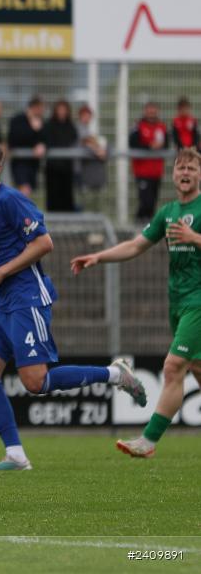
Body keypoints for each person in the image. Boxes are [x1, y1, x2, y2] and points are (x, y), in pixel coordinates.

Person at [0, 136, 147, 471]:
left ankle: (115, 374)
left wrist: (1, 272)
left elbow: (44, 243)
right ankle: (15, 454)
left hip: (28, 297)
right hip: (4, 301)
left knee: (36, 383)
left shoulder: (10, 201)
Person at [71, 148, 201, 459]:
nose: (185, 172)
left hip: (199, 302)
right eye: (180, 167)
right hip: (179, 302)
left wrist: (194, 237)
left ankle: (149, 440)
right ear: (172, 174)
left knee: (173, 368)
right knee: (196, 370)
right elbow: (135, 245)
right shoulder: (167, 212)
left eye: (192, 168)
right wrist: (98, 257)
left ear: (200, 174)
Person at [130, 101, 169, 222]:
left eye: (154, 110)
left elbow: (166, 144)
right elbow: (133, 144)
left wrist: (160, 146)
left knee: (152, 203)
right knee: (145, 202)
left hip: (156, 171)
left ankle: (147, 231)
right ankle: (138, 226)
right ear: (145, 111)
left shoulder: (162, 127)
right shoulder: (138, 127)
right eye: (149, 110)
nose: (151, 113)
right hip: (142, 172)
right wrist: (150, 147)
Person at [7, 96, 46, 197]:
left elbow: (46, 138)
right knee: (24, 191)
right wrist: (33, 129)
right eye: (40, 109)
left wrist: (42, 145)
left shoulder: (41, 122)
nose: (42, 112)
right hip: (20, 163)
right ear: (34, 107)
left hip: (33, 164)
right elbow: (14, 139)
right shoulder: (17, 120)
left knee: (27, 194)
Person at [43, 99, 78, 212]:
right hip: (53, 168)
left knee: (67, 196)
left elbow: (74, 141)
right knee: (53, 196)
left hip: (67, 168)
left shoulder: (71, 126)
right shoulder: (49, 125)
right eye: (60, 109)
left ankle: (67, 226)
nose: (62, 112)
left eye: (64, 110)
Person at [75, 104, 108, 214]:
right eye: (85, 115)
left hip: (84, 170)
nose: (87, 118)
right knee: (80, 197)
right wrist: (98, 150)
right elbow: (86, 141)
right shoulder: (78, 128)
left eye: (88, 116)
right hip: (78, 168)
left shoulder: (87, 130)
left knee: (86, 197)